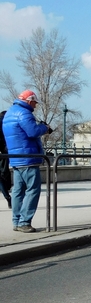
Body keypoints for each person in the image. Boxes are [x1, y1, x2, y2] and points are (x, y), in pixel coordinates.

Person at [3, 90, 51, 233]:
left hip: (16, 158)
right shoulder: (24, 113)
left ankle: (16, 221)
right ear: (29, 100)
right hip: (28, 157)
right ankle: (25, 222)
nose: (35, 106)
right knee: (33, 190)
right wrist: (45, 128)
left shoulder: (10, 113)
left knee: (18, 191)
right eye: (35, 102)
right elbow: (32, 132)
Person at [0, 110, 12, 208]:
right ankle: (7, 196)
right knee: (3, 173)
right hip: (3, 152)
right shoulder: (5, 124)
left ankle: (7, 196)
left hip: (3, 151)